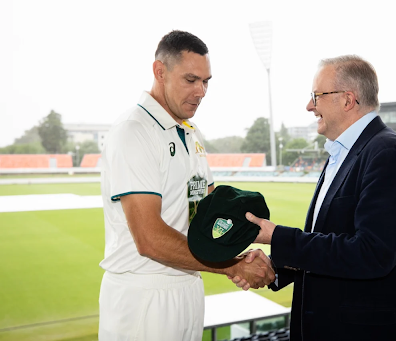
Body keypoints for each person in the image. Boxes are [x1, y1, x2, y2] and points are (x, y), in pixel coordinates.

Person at [236, 55, 396, 340]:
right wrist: (275, 269)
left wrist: (277, 237)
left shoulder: (388, 154)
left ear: (348, 100)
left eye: (316, 96)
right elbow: (332, 241)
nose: (309, 106)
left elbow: (372, 253)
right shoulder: (343, 153)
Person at [98, 30, 275, 341]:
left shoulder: (191, 133)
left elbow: (210, 212)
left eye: (206, 81)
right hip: (145, 296)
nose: (201, 91)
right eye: (191, 80)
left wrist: (253, 244)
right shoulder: (134, 131)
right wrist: (232, 267)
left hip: (189, 285)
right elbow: (149, 238)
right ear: (159, 71)